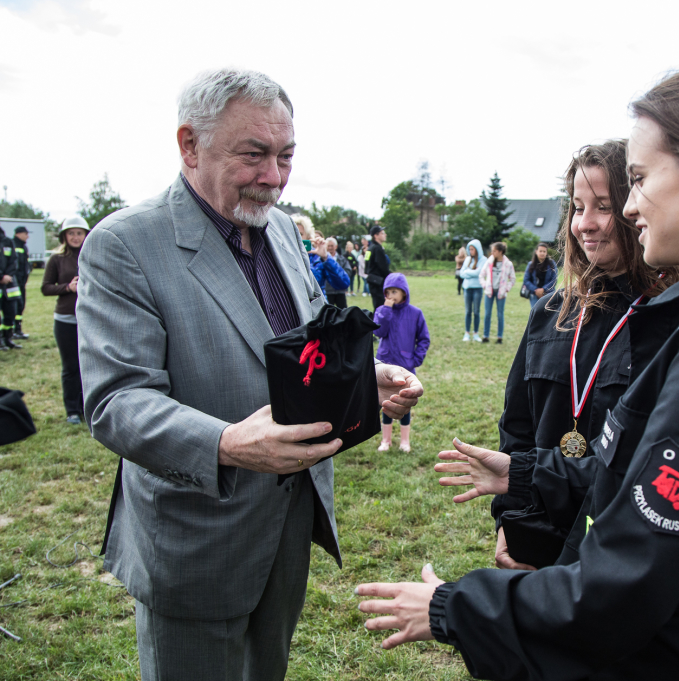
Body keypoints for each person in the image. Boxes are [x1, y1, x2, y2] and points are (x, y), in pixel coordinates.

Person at [358, 63, 679, 680]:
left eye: (637, 180)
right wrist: (528, 475)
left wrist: (455, 606)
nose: (631, 205)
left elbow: (626, 585)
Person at [75, 68, 423, 681]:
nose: (275, 176)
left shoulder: (283, 229)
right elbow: (117, 400)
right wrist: (227, 444)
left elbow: (306, 348)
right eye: (254, 154)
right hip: (197, 536)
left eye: (286, 155)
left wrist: (365, 377)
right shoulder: (125, 244)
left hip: (287, 521)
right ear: (189, 145)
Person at [488, 139, 674, 570]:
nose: (584, 224)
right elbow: (516, 428)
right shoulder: (549, 313)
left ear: (635, 208)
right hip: (538, 537)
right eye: (577, 207)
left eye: (603, 206)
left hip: (619, 551)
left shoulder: (668, 319)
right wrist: (507, 521)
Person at [373, 273, 430, 453]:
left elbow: (423, 339)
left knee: (404, 404)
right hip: (385, 365)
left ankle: (405, 441)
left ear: (404, 293)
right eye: (387, 292)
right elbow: (379, 332)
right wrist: (386, 310)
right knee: (387, 404)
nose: (390, 295)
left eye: (394, 291)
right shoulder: (382, 311)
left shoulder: (415, 313)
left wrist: (416, 359)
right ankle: (386, 440)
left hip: (405, 367)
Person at [41, 216, 89, 420]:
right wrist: (67, 288)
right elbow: (45, 287)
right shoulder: (56, 259)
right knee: (71, 366)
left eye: (79, 233)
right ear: (64, 236)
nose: (76, 237)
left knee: (88, 366)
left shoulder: (92, 254)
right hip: (66, 320)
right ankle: (72, 411)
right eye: (71, 233)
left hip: (89, 320)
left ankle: (87, 407)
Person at [479, 242, 516, 343]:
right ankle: (485, 336)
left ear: (500, 252)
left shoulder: (508, 264)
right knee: (487, 314)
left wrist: (506, 289)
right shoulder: (489, 262)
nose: (492, 253)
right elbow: (481, 275)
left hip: (501, 293)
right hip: (489, 292)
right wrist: (485, 285)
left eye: (494, 251)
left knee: (500, 315)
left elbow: (512, 279)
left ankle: (499, 337)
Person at [459, 239, 484, 342]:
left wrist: (468, 272)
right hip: (467, 288)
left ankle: (476, 334)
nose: (471, 251)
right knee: (468, 311)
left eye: (472, 249)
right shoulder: (467, 259)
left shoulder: (483, 260)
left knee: (476, 311)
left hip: (477, 289)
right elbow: (461, 273)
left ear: (477, 249)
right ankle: (467, 333)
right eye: (469, 249)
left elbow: (479, 272)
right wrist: (471, 272)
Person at [0, 225, 19, 350]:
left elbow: (14, 261)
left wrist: (7, 275)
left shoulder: (7, 241)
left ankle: (7, 338)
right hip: (3, 280)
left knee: (11, 313)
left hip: (9, 284)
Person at [522, 242, 557, 308]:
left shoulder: (551, 264)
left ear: (546, 253)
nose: (542, 253)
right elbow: (526, 280)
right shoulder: (531, 264)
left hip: (548, 294)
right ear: (536, 252)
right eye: (540, 251)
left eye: (544, 251)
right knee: (535, 314)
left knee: (547, 315)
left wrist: (543, 289)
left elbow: (554, 280)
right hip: (534, 294)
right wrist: (536, 290)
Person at [12, 226, 31, 339]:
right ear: (18, 234)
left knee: (20, 305)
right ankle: (11, 331)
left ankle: (18, 329)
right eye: (26, 233)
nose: (27, 236)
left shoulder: (23, 246)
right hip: (14, 283)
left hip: (22, 283)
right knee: (14, 306)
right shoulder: (12, 244)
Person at [365, 225, 390, 310]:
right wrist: (391, 276)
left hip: (372, 280)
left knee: (377, 305)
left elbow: (366, 266)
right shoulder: (377, 248)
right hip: (378, 282)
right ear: (376, 235)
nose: (385, 235)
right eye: (382, 233)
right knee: (380, 306)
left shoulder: (370, 248)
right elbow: (383, 267)